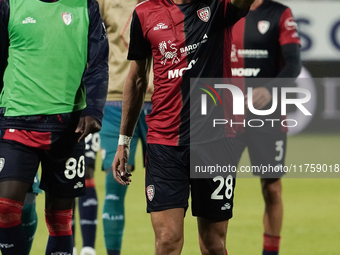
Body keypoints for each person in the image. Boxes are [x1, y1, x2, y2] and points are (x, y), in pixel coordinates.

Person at [112, 0, 254, 254]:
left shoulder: (218, 6)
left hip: (215, 143)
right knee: (167, 240)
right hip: (164, 145)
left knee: (213, 244)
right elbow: (136, 80)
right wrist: (124, 141)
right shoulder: (144, 13)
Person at [0, 0, 108, 254]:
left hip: (68, 126)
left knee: (60, 220)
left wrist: (93, 109)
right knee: (5, 209)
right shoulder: (10, 4)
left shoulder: (86, 6)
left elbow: (98, 63)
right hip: (17, 119)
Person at [230, 0, 301, 254]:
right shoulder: (222, 10)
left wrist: (268, 90)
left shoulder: (280, 13)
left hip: (268, 119)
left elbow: (293, 64)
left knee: (271, 188)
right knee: (219, 187)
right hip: (228, 117)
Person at [97, 0, 153, 254]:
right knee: (114, 185)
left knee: (165, 188)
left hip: (160, 101)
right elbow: (89, 41)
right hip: (115, 101)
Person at [72, 133, 101, 255]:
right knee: (65, 173)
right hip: (60, 117)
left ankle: (88, 248)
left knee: (86, 170)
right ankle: (69, 247)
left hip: (86, 118)